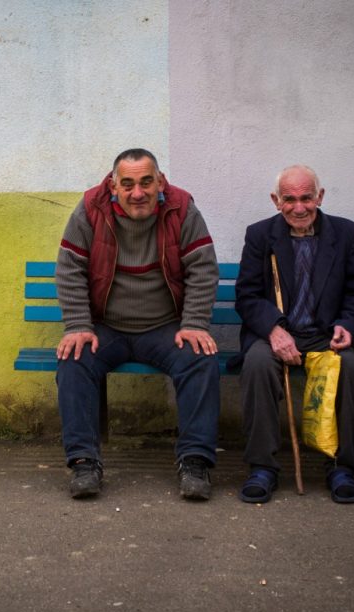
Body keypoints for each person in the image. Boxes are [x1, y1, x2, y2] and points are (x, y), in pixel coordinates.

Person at [55, 148, 221, 500]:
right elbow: (70, 268)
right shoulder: (90, 209)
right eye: (127, 184)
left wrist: (193, 323)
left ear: (160, 181)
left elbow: (202, 269)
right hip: (107, 328)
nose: (138, 192)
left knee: (199, 359)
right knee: (74, 359)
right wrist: (78, 325)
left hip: (164, 328)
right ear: (113, 186)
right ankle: (84, 463)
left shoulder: (181, 208)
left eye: (146, 182)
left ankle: (194, 462)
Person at [230, 165, 354, 505]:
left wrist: (348, 324)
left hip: (327, 333)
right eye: (289, 199)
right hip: (277, 332)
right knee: (256, 364)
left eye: (306, 198)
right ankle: (262, 468)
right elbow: (248, 295)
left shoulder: (347, 234)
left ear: (320, 196)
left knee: (350, 369)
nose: (299, 208)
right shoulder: (260, 235)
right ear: (276, 200)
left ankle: (342, 468)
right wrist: (273, 329)